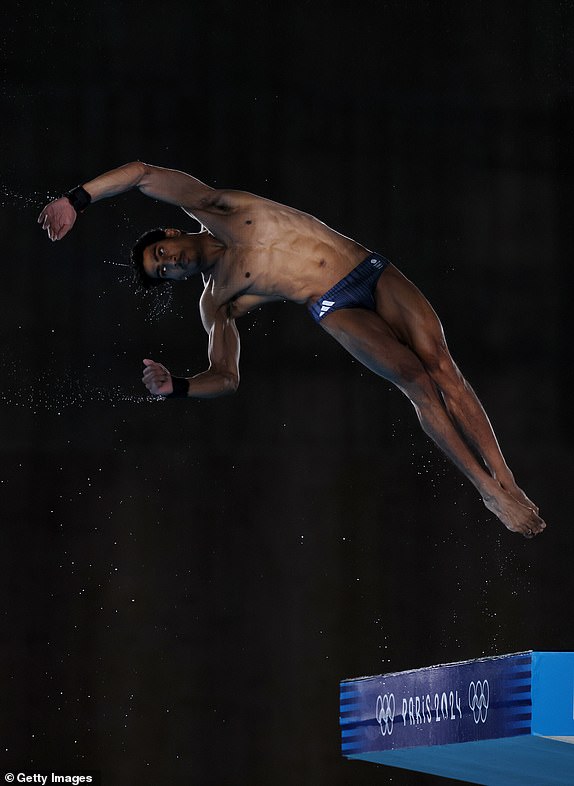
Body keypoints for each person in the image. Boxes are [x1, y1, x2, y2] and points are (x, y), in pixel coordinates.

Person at [38, 161, 546, 538]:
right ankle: (486, 490)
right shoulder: (218, 300)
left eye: (163, 255)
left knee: (443, 367)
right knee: (416, 381)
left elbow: (143, 173)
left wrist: (76, 199)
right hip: (332, 305)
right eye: (164, 272)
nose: (171, 265)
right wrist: (180, 388)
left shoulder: (216, 205)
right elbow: (226, 375)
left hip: (367, 268)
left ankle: (507, 481)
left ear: (172, 233)